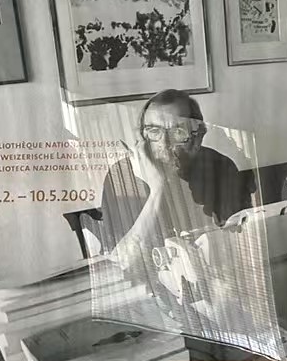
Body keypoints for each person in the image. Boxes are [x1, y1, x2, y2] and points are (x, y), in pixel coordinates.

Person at [99, 89, 247, 264]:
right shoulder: (120, 176)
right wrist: (157, 188)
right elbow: (121, 261)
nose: (164, 143)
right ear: (141, 137)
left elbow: (240, 244)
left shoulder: (220, 166)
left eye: (178, 131)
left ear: (198, 137)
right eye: (154, 131)